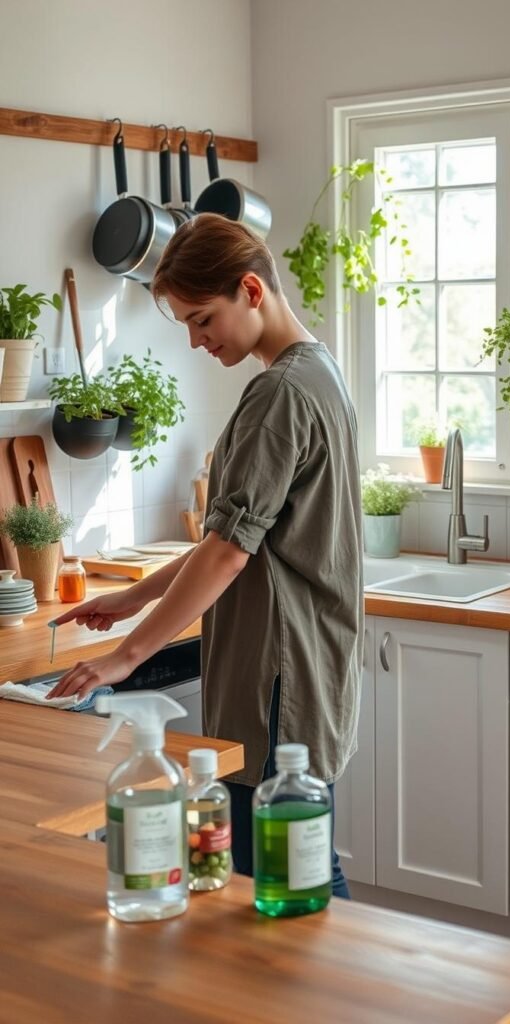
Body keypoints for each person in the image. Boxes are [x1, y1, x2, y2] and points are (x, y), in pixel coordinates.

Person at [48, 213, 363, 897]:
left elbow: (226, 554)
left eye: (201, 319)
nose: (195, 341)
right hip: (304, 662)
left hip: (274, 671)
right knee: (297, 858)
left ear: (250, 290)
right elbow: (231, 538)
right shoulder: (318, 368)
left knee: (274, 873)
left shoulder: (278, 392)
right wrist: (134, 596)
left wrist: (126, 655)